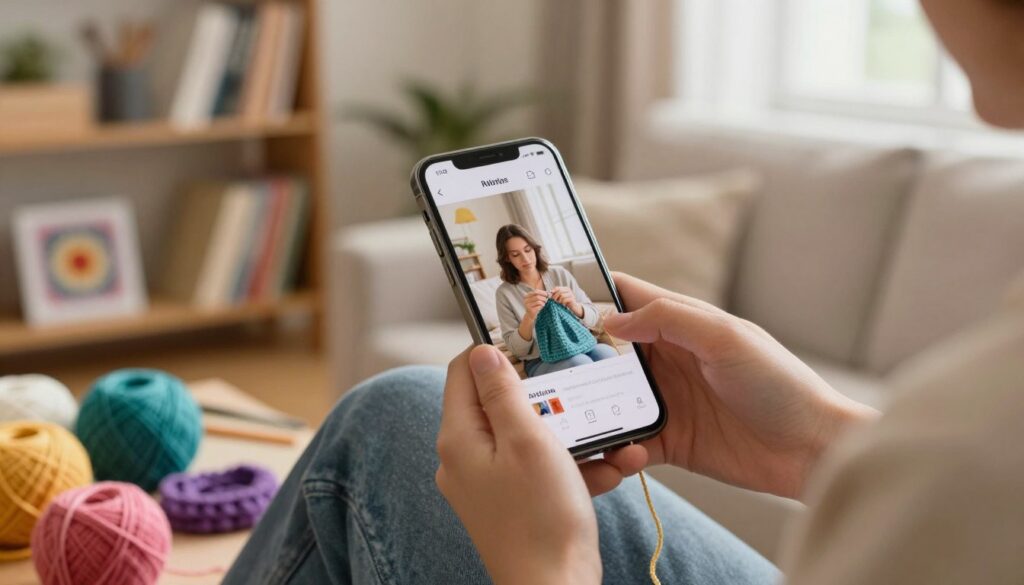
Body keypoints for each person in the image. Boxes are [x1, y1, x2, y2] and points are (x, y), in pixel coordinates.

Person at [224, 1, 1024, 583]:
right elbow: (525, 332)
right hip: (558, 345)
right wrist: (817, 441)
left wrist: (549, 566)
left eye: (522, 243)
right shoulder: (958, 452)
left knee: (386, 423)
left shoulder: (965, 452)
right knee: (397, 406)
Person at [493, 224, 618, 378]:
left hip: (578, 344)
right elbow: (517, 350)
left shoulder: (559, 274)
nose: (525, 258)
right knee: (580, 363)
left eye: (528, 250)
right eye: (515, 254)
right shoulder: (504, 293)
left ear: (534, 248)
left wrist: (575, 306)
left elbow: (595, 319)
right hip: (540, 359)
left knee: (608, 354)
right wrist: (529, 317)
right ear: (507, 258)